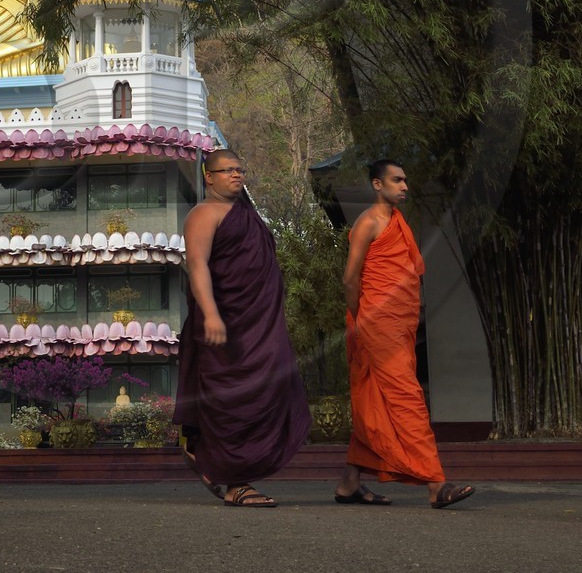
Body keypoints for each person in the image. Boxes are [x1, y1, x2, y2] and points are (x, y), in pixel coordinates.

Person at [334, 159, 474, 509]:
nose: (405, 186)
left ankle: (350, 482)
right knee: (407, 398)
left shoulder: (398, 222)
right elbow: (351, 279)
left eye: (405, 180)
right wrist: (360, 318)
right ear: (377, 185)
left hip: (398, 325)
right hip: (376, 324)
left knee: (375, 399)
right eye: (397, 180)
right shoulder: (368, 223)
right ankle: (435, 483)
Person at [175, 149, 311, 507]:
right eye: (227, 170)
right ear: (209, 177)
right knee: (235, 397)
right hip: (225, 322)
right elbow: (198, 265)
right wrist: (211, 314)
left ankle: (201, 453)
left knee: (271, 388)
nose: (236, 175)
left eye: (240, 169)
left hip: (258, 324)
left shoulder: (248, 215)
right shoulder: (203, 214)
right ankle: (236, 483)